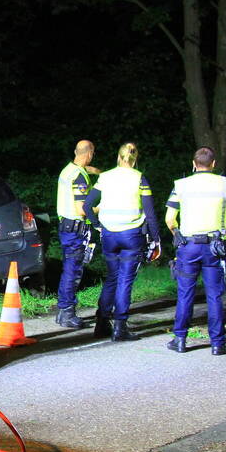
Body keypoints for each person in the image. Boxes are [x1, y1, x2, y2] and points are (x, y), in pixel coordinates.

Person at [164, 147, 226, 354]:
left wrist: (176, 233)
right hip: (213, 247)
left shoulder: (181, 185)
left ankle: (180, 339)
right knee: (214, 296)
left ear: (194, 164)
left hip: (188, 246)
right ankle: (218, 343)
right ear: (213, 164)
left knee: (185, 294)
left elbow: (169, 218)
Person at [83, 142, 160, 341]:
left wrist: (97, 225)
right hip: (131, 236)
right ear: (135, 160)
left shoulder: (105, 177)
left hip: (109, 235)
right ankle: (120, 327)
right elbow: (150, 213)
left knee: (112, 278)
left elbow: (87, 204)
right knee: (125, 280)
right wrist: (156, 239)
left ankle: (101, 323)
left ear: (119, 157)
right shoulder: (139, 178)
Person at [55, 139, 100, 328]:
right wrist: (101, 207)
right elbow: (82, 209)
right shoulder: (79, 177)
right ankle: (66, 312)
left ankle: (62, 312)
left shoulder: (68, 170)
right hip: (75, 229)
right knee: (72, 272)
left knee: (69, 269)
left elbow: (86, 169)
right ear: (89, 153)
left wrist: (99, 172)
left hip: (66, 227)